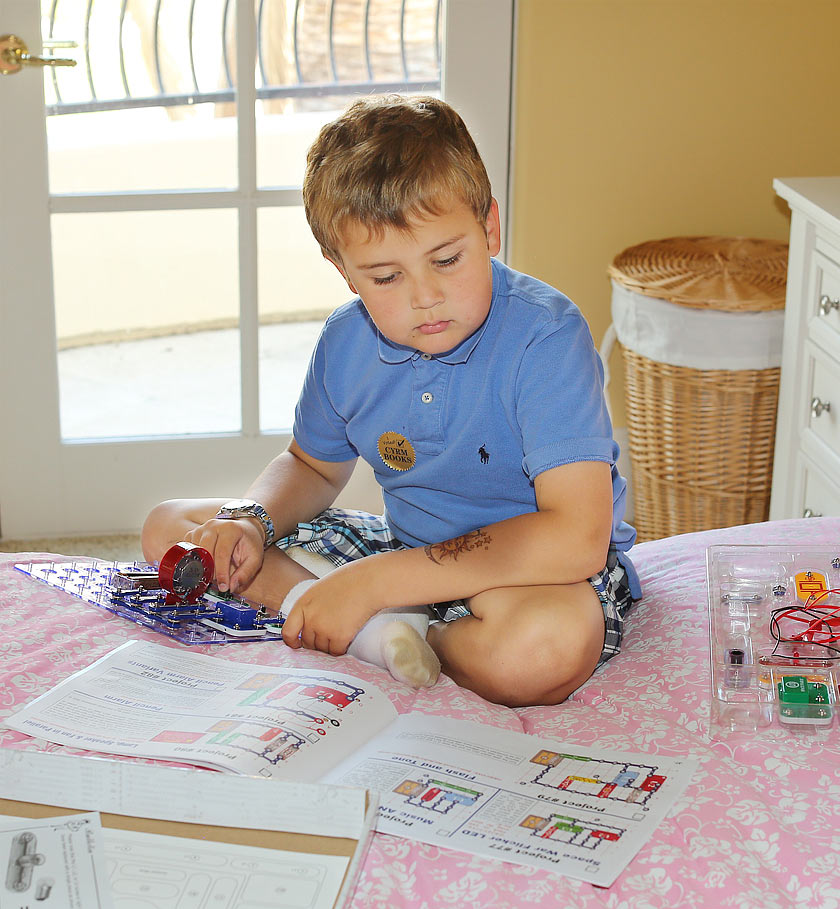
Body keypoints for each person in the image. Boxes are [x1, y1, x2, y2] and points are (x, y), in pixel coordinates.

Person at [142, 94, 641, 707]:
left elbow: (577, 537)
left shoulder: (546, 336)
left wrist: (373, 583)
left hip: (529, 576)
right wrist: (251, 518)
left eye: (447, 259)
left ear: (490, 228)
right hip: (404, 548)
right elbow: (311, 467)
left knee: (543, 649)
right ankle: (375, 629)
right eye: (385, 277)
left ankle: (397, 625)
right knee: (174, 528)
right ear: (343, 270)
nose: (425, 297)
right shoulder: (346, 340)